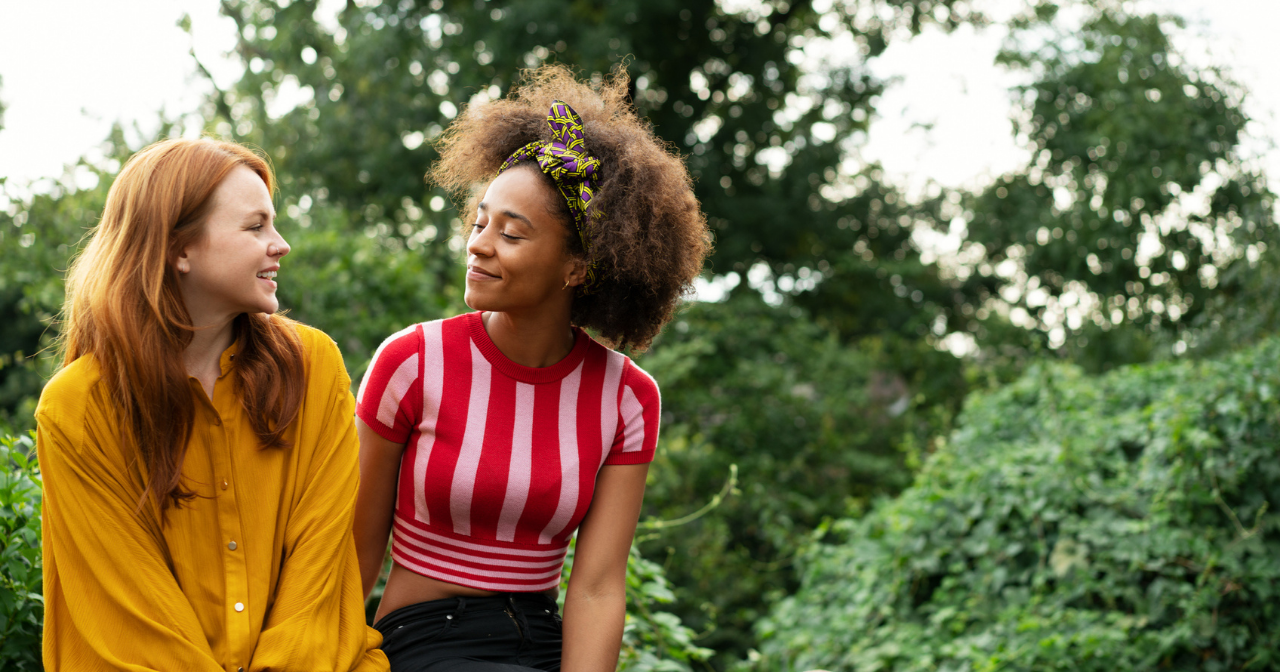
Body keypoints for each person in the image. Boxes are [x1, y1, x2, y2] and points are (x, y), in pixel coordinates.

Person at [353, 65, 712, 671]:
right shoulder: (412, 362)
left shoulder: (626, 399)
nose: (479, 243)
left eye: (511, 233)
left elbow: (597, 587)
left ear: (577, 266)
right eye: (479, 222)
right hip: (420, 640)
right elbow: (355, 550)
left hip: (540, 645)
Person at [36, 138, 388, 671]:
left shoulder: (313, 366)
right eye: (255, 227)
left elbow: (318, 574)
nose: (281, 244)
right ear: (179, 249)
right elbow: (126, 616)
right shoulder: (77, 408)